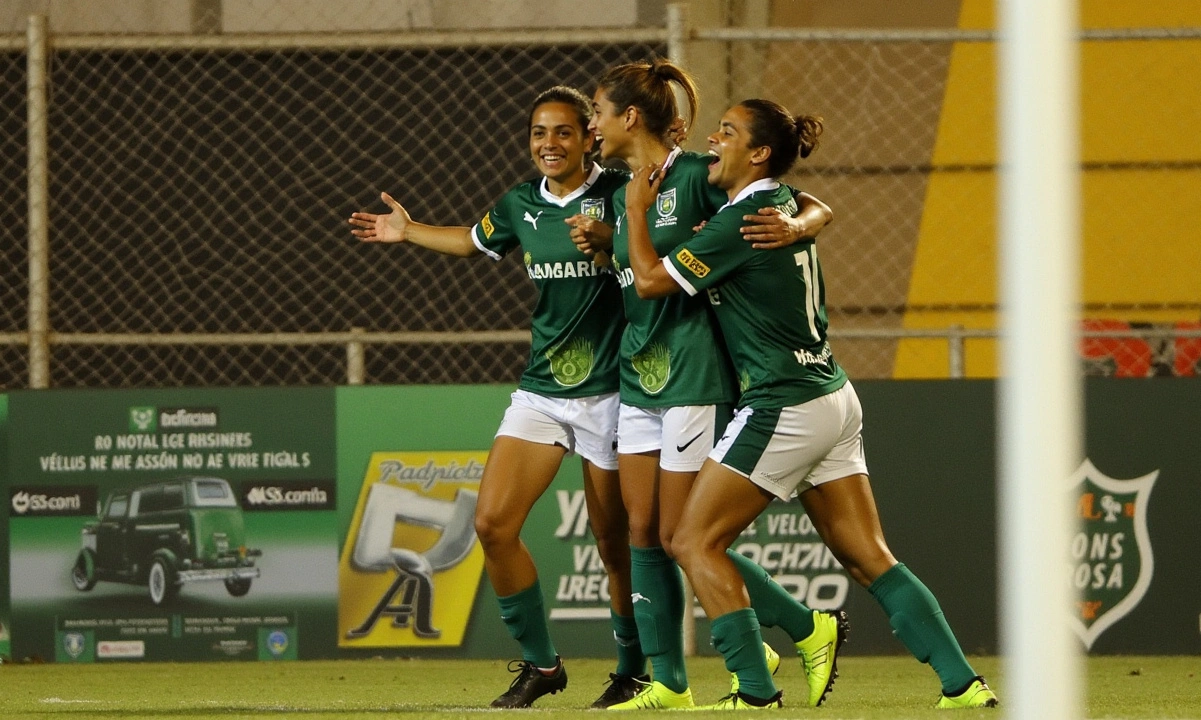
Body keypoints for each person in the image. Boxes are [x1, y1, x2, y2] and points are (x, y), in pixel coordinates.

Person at [622, 98, 1000, 710]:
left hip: (783, 402)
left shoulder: (741, 222)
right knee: (869, 557)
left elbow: (650, 281)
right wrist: (806, 221)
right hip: (831, 394)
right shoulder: (775, 205)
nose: (714, 140)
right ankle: (964, 685)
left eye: (727, 133)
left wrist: (637, 214)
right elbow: (814, 207)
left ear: (760, 153)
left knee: (692, 542)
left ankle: (754, 691)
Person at [349, 86, 644, 709]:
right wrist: (407, 232)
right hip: (543, 391)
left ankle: (633, 668)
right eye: (539, 133)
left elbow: (658, 254)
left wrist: (613, 240)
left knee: (613, 542)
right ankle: (542, 665)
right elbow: (470, 240)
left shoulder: (623, 192)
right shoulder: (519, 206)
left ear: (591, 137)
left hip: (616, 392)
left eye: (563, 132)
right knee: (491, 523)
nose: (549, 144)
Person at [584, 61, 848, 711]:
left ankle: (794, 630)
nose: (592, 123)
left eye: (597, 111)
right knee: (643, 533)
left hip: (696, 376)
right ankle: (669, 683)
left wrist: (802, 224)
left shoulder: (701, 177)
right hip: (640, 375)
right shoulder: (625, 193)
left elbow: (796, 201)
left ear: (630, 118)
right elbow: (639, 272)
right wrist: (609, 240)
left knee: (685, 537)